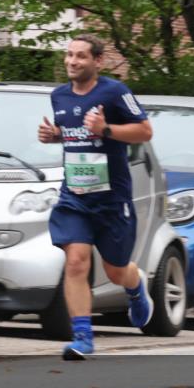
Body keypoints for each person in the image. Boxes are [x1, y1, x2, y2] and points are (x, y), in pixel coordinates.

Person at [37, 34, 154, 360]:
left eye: (81, 56)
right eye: (69, 55)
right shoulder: (58, 96)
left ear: (98, 61)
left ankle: (135, 286)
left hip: (112, 199)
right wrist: (54, 136)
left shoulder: (115, 92)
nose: (73, 61)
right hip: (75, 196)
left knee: (116, 271)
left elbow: (145, 131)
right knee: (75, 261)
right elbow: (73, 132)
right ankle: (83, 337)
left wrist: (106, 129)